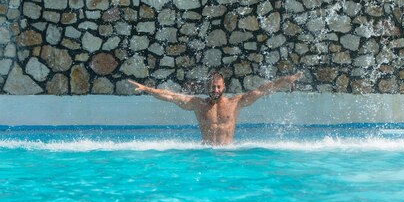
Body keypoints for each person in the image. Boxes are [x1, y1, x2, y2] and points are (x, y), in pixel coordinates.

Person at [129, 72, 303, 146]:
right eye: (213, 87)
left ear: (223, 86)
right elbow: (171, 96)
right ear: (208, 87)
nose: (215, 90)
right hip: (206, 153)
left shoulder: (236, 102)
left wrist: (286, 80)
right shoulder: (198, 104)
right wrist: (147, 89)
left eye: (218, 87)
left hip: (229, 154)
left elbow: (262, 90)